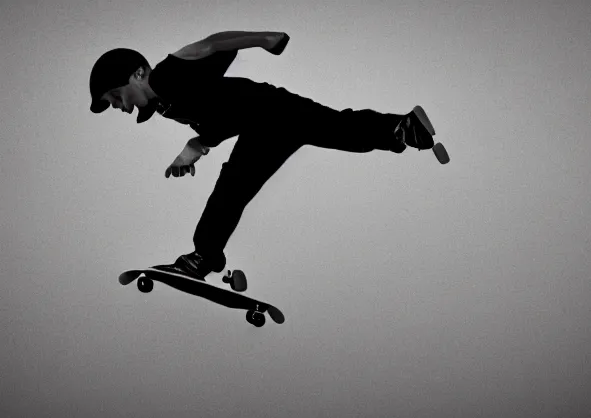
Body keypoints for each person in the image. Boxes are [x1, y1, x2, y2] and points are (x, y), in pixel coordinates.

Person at [89, 31, 449, 281]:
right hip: (263, 126)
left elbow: (212, 45)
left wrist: (264, 39)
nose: (119, 106)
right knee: (238, 187)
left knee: (330, 132)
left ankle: (401, 127)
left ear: (138, 73)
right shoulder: (167, 105)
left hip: (272, 110)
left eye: (116, 97)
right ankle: (401, 128)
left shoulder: (167, 76)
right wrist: (198, 145)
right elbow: (221, 112)